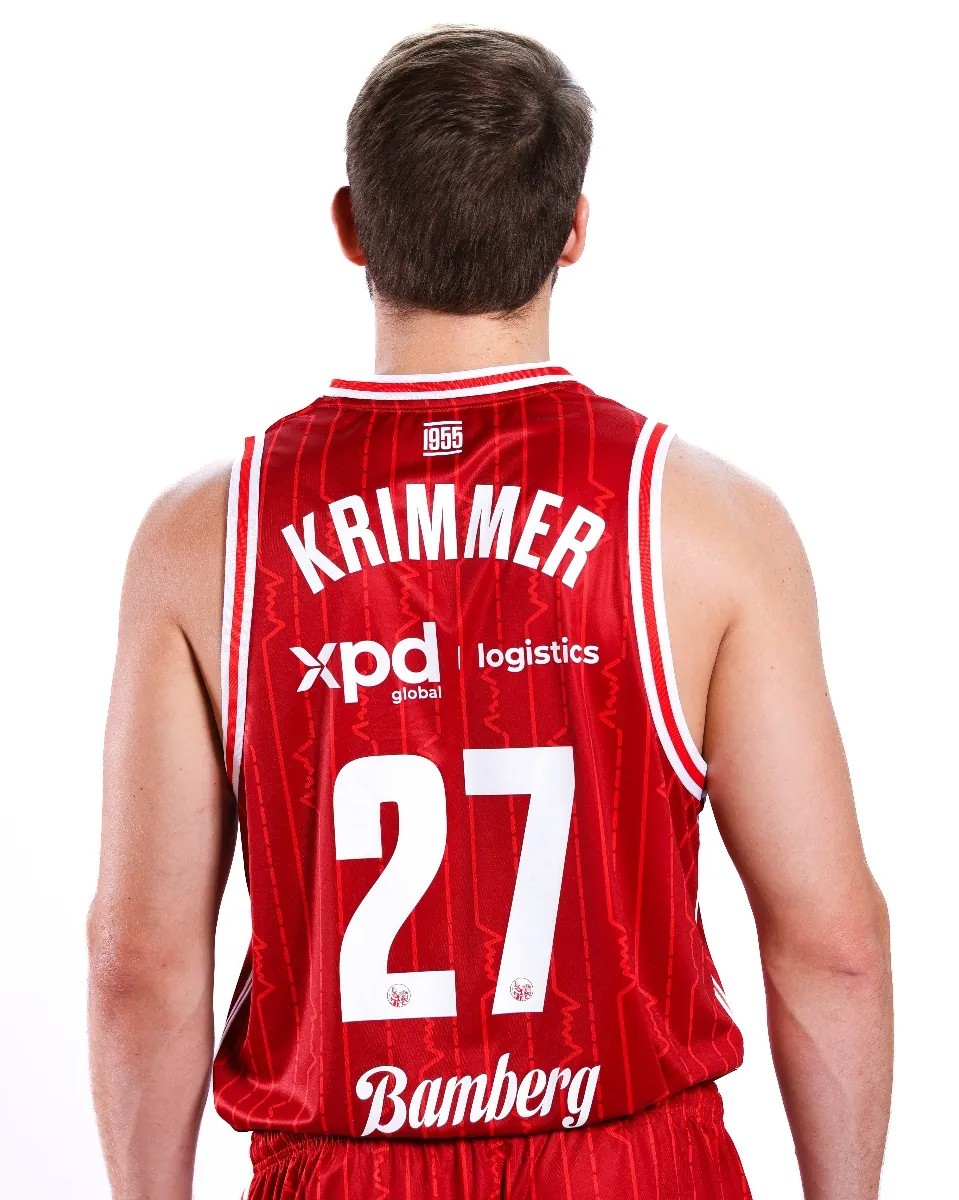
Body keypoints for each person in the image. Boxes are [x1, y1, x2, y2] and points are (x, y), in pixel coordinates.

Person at [87, 23, 893, 1200]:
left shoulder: (204, 537)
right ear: (572, 231)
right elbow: (832, 947)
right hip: (634, 1169)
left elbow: (141, 965)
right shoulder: (706, 524)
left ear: (351, 226)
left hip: (343, 1173)